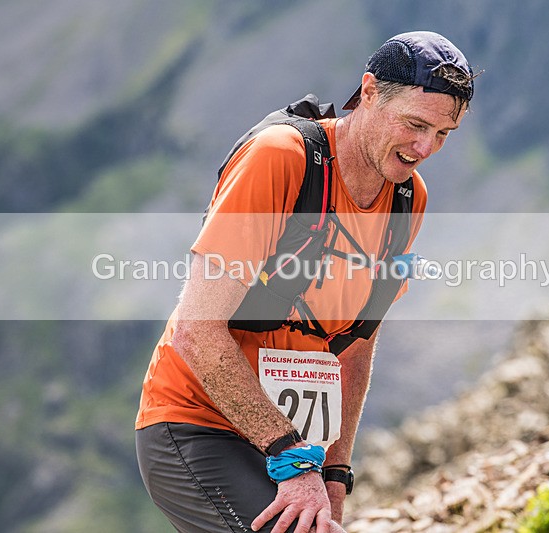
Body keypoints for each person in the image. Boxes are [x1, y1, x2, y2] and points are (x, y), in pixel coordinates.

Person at [135, 31, 475, 533]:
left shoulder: (407, 199)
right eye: (415, 124)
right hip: (198, 423)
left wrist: (335, 473)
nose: (425, 147)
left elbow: (356, 348)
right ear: (370, 92)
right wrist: (292, 458)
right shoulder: (282, 157)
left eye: (444, 134)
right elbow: (196, 330)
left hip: (291, 446)